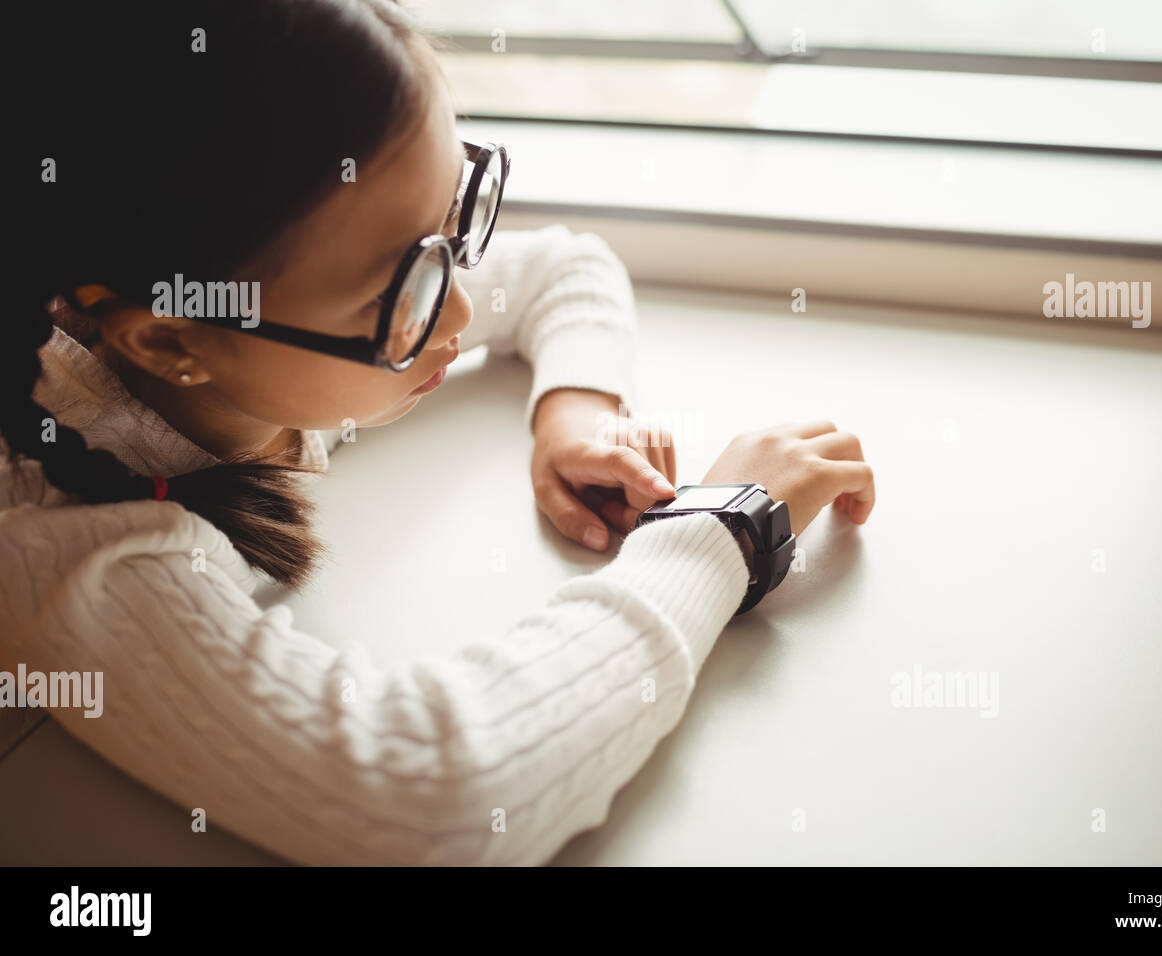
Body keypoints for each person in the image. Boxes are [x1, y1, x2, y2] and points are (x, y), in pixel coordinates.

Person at [3, 0, 875, 864]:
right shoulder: (65, 541)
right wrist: (719, 532)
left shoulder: (249, 309)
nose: (458, 304)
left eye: (447, 223)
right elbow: (446, 800)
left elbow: (560, 266)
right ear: (169, 341)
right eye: (397, 295)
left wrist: (576, 414)